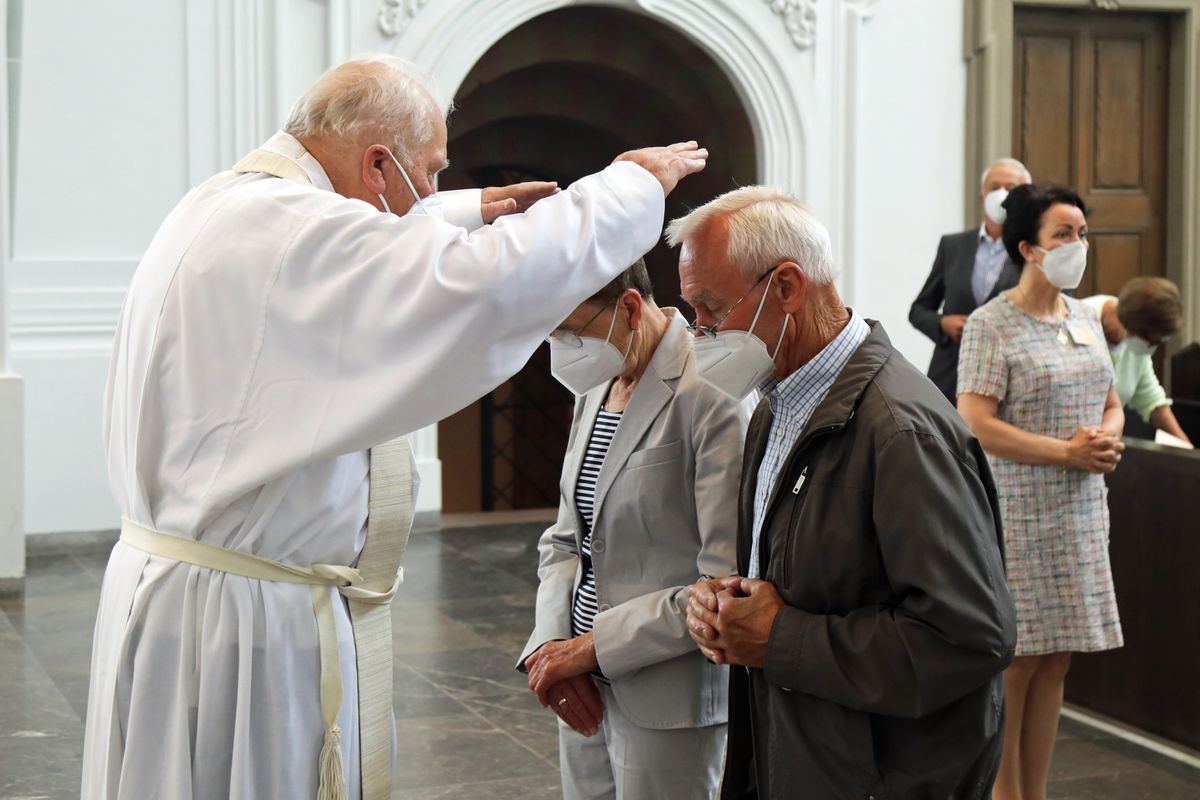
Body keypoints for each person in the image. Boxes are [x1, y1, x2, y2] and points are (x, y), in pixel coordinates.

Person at [81, 55, 709, 800]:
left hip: (186, 598)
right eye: (432, 172)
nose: (432, 193)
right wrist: (631, 186)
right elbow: (482, 285)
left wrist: (467, 208)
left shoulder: (223, 206)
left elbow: (373, 233)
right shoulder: (298, 232)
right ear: (378, 163)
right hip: (247, 630)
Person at [675, 186, 1017, 799]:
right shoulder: (775, 406)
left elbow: (967, 638)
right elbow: (807, 572)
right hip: (803, 751)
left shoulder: (901, 432)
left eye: (710, 308)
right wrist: (732, 604)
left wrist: (778, 637)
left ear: (786, 287)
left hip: (882, 775)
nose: (699, 333)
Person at [517, 257, 750, 799]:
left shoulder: (712, 391)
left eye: (572, 331)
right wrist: (553, 643)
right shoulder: (595, 387)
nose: (565, 350)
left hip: (669, 695)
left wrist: (594, 647)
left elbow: (721, 582)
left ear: (628, 306)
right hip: (580, 682)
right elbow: (564, 540)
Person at [956, 184, 1126, 800]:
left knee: (1058, 659)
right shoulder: (991, 323)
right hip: (1020, 512)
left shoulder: (1086, 318)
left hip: (1081, 510)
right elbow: (975, 422)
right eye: (1063, 234)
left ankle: (1038, 792)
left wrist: (1107, 437)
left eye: (1082, 232)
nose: (1077, 245)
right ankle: (1005, 794)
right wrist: (1066, 452)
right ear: (1028, 247)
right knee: (1020, 660)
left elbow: (1112, 401)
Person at [910, 157, 1032, 404]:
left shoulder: (1032, 251)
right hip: (950, 375)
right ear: (981, 196)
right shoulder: (953, 245)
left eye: (1010, 188)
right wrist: (943, 324)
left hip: (1009, 377)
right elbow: (919, 310)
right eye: (994, 187)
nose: (1001, 194)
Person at [1082, 278, 1191, 444]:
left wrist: (1188, 451)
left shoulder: (1137, 345)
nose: (1154, 348)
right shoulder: (1078, 321)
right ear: (1134, 330)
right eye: (1154, 341)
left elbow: (1151, 400)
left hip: (1102, 445)